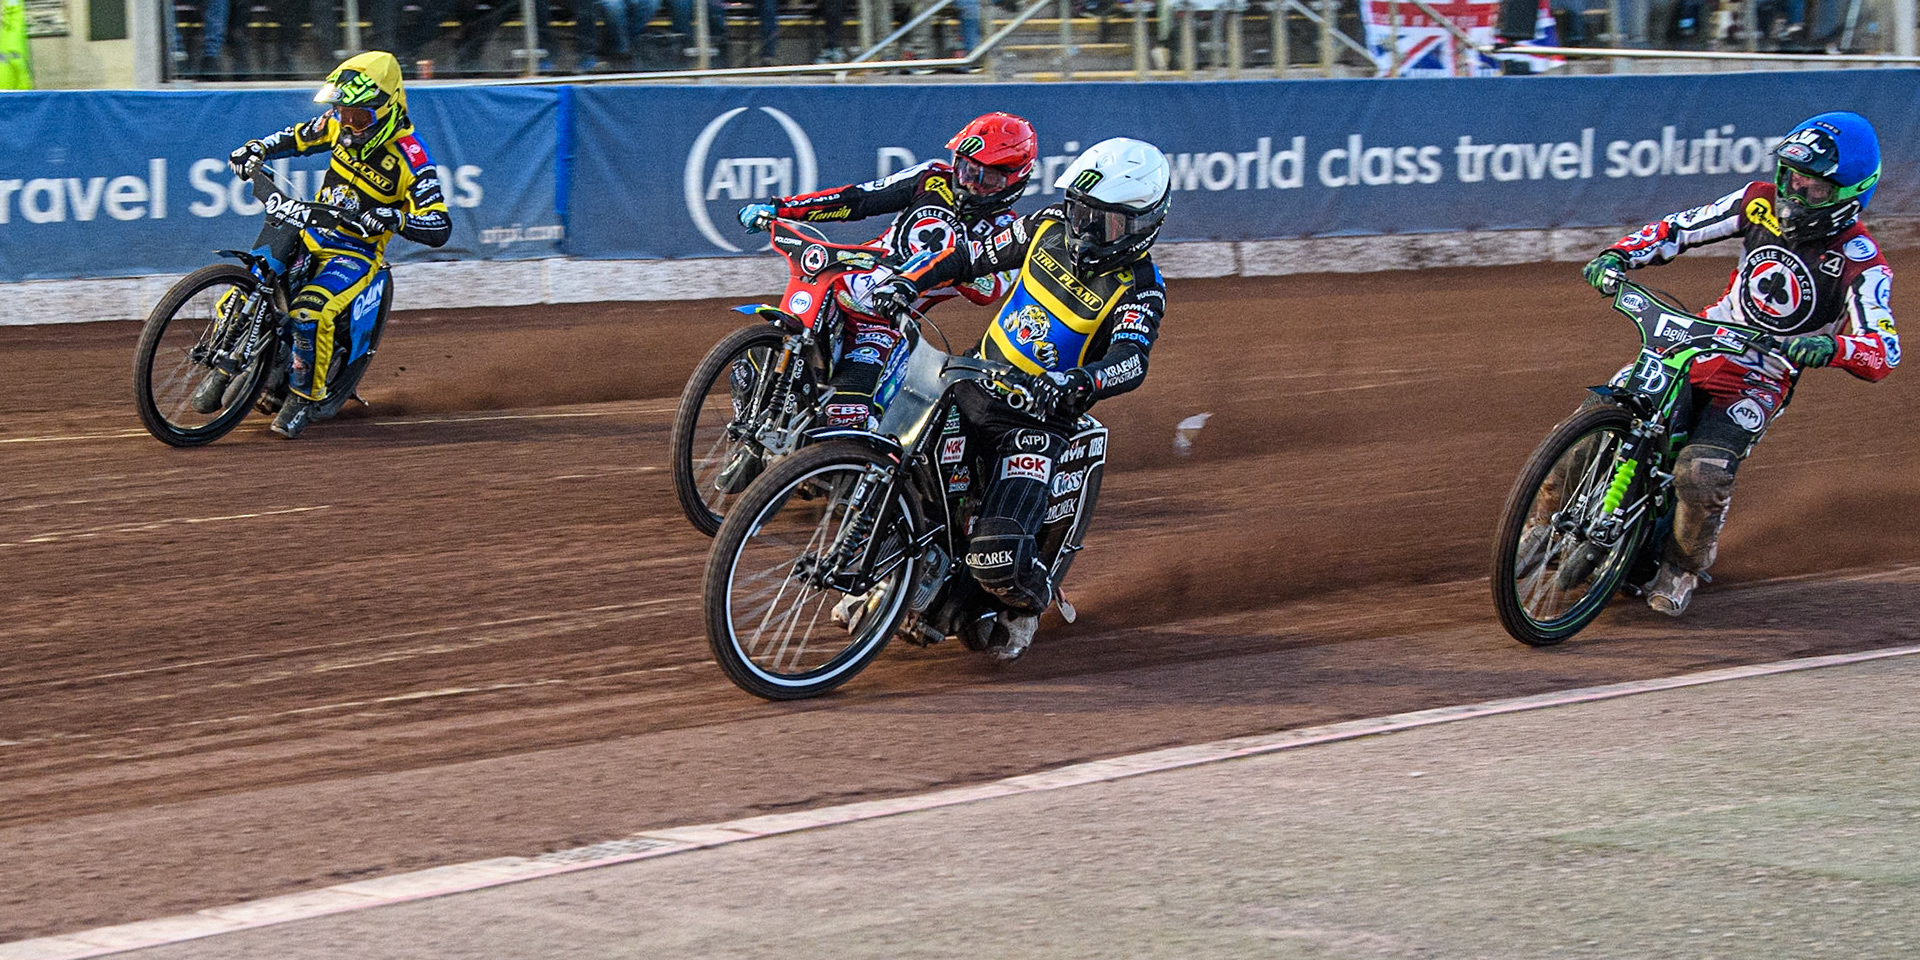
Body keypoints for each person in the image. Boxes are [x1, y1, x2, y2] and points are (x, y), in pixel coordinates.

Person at [1579, 111, 1897, 615]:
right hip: (1698, 342)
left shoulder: (1864, 262)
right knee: (1599, 416)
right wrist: (1619, 254)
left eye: (1814, 187)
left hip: (1759, 376)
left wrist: (1833, 349)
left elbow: (1884, 350)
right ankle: (1540, 525)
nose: (1795, 193)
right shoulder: (1757, 202)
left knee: (1702, 472)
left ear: (1849, 196)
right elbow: (1678, 228)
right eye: (1791, 177)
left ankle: (1681, 567)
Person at [869, 136, 1172, 662]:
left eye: (1102, 222)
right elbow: (967, 257)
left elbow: (1131, 360)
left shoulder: (1141, 287)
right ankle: (897, 575)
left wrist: (1077, 383)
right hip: (968, 382)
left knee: (995, 558)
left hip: (1035, 423)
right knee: (885, 455)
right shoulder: (1047, 225)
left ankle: (1030, 603)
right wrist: (906, 282)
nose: (1083, 229)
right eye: (1079, 211)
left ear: (1143, 225)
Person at [735, 112, 1039, 433]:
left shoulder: (1008, 232)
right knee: (759, 358)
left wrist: (940, 269)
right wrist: (781, 209)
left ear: (1014, 180)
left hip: (884, 324)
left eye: (986, 179)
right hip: (836, 287)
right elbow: (859, 199)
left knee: (845, 415)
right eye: (966, 169)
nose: (969, 183)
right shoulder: (932, 177)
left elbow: (989, 289)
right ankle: (747, 433)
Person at [220, 51, 452, 438]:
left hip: (354, 253)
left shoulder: (412, 158)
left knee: (309, 314)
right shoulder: (337, 122)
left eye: (359, 117)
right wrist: (257, 148)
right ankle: (237, 351)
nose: (348, 124)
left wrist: (396, 219)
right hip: (309, 231)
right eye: (343, 113)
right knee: (247, 285)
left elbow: (440, 224)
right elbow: (295, 137)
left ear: (388, 110)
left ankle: (302, 399)